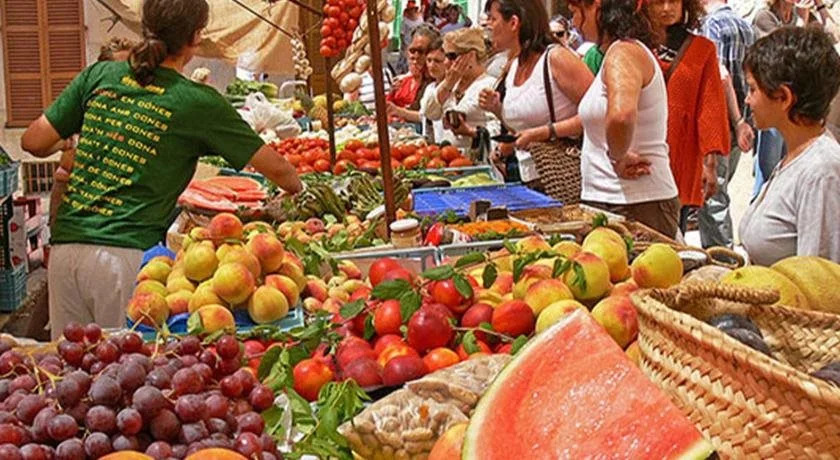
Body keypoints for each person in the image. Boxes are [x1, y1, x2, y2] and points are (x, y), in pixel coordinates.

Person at [20, 0, 302, 339]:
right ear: (196, 38)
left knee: (71, 364)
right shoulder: (198, 101)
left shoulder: (99, 75)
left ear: (144, 27)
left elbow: (33, 141)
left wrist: (75, 141)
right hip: (126, 258)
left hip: (66, 252)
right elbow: (282, 172)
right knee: (123, 364)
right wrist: (299, 191)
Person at [570, 0, 681, 237]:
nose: (574, 23)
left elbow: (621, 115)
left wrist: (617, 156)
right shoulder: (620, 51)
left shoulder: (623, 52)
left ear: (597, 8)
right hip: (619, 200)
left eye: (576, 12)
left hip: (633, 204)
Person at [739, 26, 840, 265]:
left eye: (753, 89)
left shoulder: (821, 172)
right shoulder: (795, 156)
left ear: (784, 97)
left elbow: (816, 276)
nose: (747, 99)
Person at [478, 0, 593, 186]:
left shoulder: (556, 58)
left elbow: (599, 112)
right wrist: (497, 109)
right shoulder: (514, 66)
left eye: (493, 19)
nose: (488, 26)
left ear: (513, 22)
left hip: (563, 178)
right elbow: (523, 127)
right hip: (527, 178)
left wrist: (546, 132)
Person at [647, 0, 731, 234]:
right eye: (658, 2)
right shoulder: (634, 47)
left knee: (673, 235)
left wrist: (710, 163)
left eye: (673, 1)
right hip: (641, 156)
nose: (666, 8)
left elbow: (710, 107)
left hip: (680, 154)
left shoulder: (702, 50)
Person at [49, 38, 138, 228]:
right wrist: (68, 144)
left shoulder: (141, 105)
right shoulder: (88, 101)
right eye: (118, 69)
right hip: (77, 203)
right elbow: (46, 143)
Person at [699, 0, 755, 247]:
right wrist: (744, 121)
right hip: (741, 126)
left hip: (720, 126)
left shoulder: (711, 25)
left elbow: (717, 77)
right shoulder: (745, 26)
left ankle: (722, 258)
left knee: (713, 198)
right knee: (720, 193)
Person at [423, 28, 500, 151]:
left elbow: (499, 130)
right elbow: (429, 112)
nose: (446, 62)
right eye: (445, 56)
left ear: (471, 56)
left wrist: (470, 132)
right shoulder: (451, 84)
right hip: (448, 155)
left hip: (476, 156)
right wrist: (448, 83)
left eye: (452, 56)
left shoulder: (490, 85)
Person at [387, 24, 440, 123]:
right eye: (412, 50)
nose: (415, 56)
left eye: (421, 51)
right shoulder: (402, 81)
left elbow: (426, 117)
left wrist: (398, 111)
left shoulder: (436, 85)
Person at [419, 37, 452, 143]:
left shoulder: (453, 89)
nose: (432, 65)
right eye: (429, 60)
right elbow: (423, 115)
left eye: (437, 61)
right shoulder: (430, 88)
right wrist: (397, 111)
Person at [399, 0, 425, 74]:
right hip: (408, 43)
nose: (411, 11)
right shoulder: (405, 21)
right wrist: (403, 45)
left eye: (412, 9)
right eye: (410, 9)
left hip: (418, 42)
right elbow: (402, 34)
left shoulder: (420, 19)